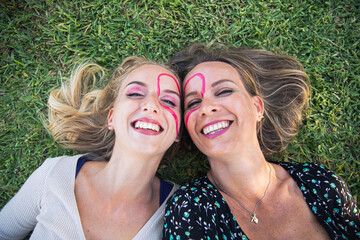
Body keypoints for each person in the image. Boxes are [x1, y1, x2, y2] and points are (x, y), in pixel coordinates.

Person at [162, 43, 359, 239]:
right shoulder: (190, 209)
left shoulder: (320, 183)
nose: (206, 108)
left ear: (257, 107)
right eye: (193, 103)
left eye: (223, 91)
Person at [0, 56, 181, 239]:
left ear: (178, 132)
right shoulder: (56, 174)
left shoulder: (182, 210)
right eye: (135, 94)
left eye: (169, 101)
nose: (151, 105)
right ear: (111, 118)